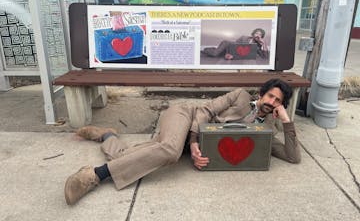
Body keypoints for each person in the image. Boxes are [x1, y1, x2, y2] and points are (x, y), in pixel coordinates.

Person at [64, 78, 301, 205]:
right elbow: (206, 111)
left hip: (187, 139)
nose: (272, 101)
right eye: (270, 95)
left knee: (128, 157)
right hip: (185, 116)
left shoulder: (267, 129)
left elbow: (292, 156)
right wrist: (195, 142)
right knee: (170, 151)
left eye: (278, 101)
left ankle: (107, 136)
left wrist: (286, 121)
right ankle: (94, 175)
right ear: (261, 95)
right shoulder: (240, 96)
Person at [201, 28, 269, 60]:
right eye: (257, 33)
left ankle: (214, 49)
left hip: (228, 51)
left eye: (260, 34)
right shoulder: (244, 37)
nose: (258, 35)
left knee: (219, 54)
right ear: (253, 34)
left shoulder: (257, 46)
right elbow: (234, 46)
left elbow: (265, 57)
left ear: (261, 37)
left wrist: (264, 44)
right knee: (215, 54)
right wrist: (228, 53)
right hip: (227, 45)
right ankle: (205, 49)